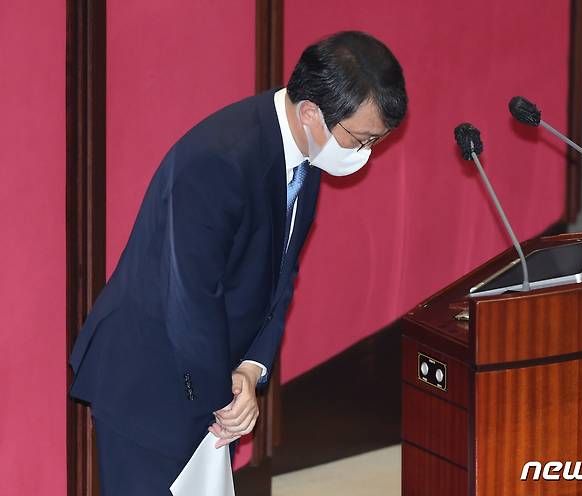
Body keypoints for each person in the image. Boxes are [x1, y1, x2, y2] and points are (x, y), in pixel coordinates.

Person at [68, 30, 407, 494]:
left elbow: (281, 275)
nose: (364, 153)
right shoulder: (221, 161)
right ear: (311, 113)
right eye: (361, 139)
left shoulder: (306, 152)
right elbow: (190, 296)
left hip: (212, 376)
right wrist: (222, 399)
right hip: (149, 382)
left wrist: (251, 367)